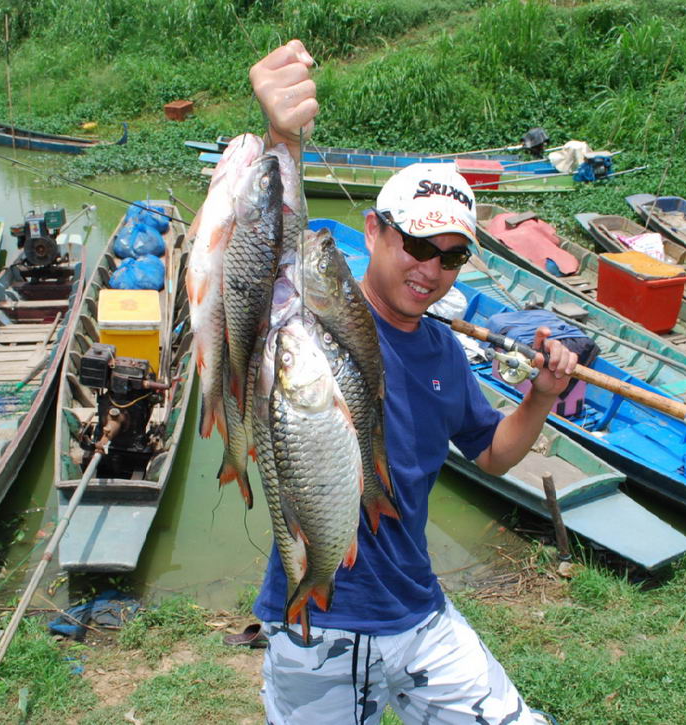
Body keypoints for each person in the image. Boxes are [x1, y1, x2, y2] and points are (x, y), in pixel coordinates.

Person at [248, 39, 576, 725]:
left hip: (419, 614)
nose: (432, 268)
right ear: (373, 231)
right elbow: (273, 247)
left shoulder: (444, 352)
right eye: (417, 245)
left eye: (452, 255)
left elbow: (492, 452)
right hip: (319, 625)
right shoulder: (308, 324)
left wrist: (540, 395)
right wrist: (282, 136)